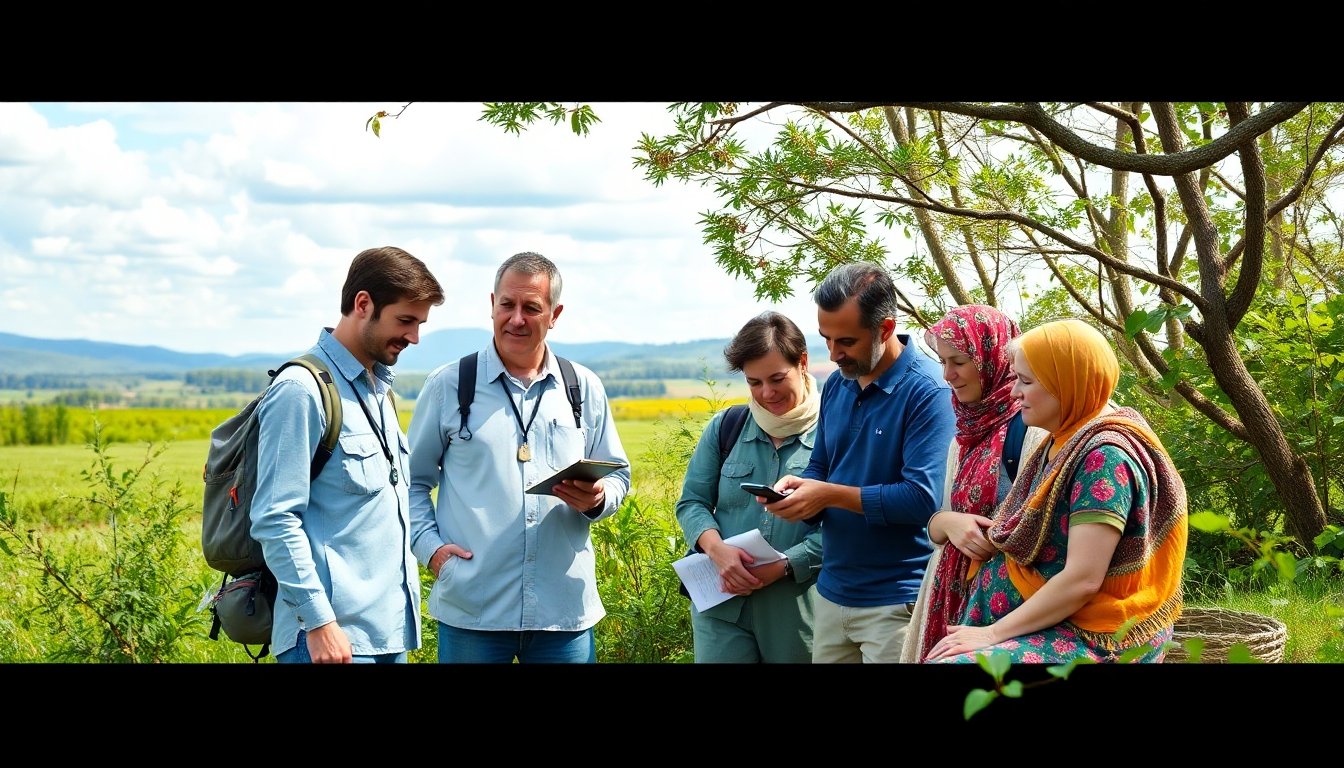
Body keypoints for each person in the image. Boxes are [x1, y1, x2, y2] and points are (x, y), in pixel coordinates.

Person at [407, 251, 631, 664]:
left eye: (532, 307)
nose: (516, 319)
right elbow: (411, 483)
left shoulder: (582, 387)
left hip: (563, 613)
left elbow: (620, 475)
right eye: (507, 305)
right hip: (474, 608)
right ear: (492, 303)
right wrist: (431, 551)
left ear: (555, 314)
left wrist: (599, 499)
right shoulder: (449, 386)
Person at [925, 319, 1188, 663]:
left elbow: (1082, 580)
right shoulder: (1062, 440)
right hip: (1054, 618)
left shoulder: (1103, 458)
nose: (1015, 391)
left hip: (1094, 633)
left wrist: (990, 634)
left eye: (1026, 381)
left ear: (1066, 385)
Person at [251, 246, 445, 663]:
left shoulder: (378, 390)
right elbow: (274, 518)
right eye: (406, 321)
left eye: (420, 324)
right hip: (329, 642)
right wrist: (320, 623)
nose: (414, 337)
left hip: (388, 635)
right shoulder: (300, 391)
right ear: (363, 304)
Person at [762, 262, 957, 663]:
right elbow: (822, 466)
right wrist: (799, 492)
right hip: (832, 592)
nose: (833, 354)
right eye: (826, 339)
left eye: (846, 341)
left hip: (897, 601)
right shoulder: (838, 385)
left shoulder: (929, 391)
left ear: (885, 329)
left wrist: (827, 496)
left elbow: (923, 499)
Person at [901, 304, 1048, 663]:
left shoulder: (1034, 429)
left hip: (1009, 612)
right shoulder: (965, 434)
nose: (948, 374)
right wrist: (944, 523)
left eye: (959, 362)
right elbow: (942, 519)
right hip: (953, 602)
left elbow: (1044, 533)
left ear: (992, 357)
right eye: (943, 362)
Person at [675, 311, 823, 663]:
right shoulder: (726, 426)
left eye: (776, 378)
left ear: (802, 362)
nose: (766, 393)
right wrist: (717, 551)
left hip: (798, 611)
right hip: (720, 606)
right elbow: (691, 503)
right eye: (754, 382)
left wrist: (788, 564)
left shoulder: (835, 434)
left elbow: (849, 526)